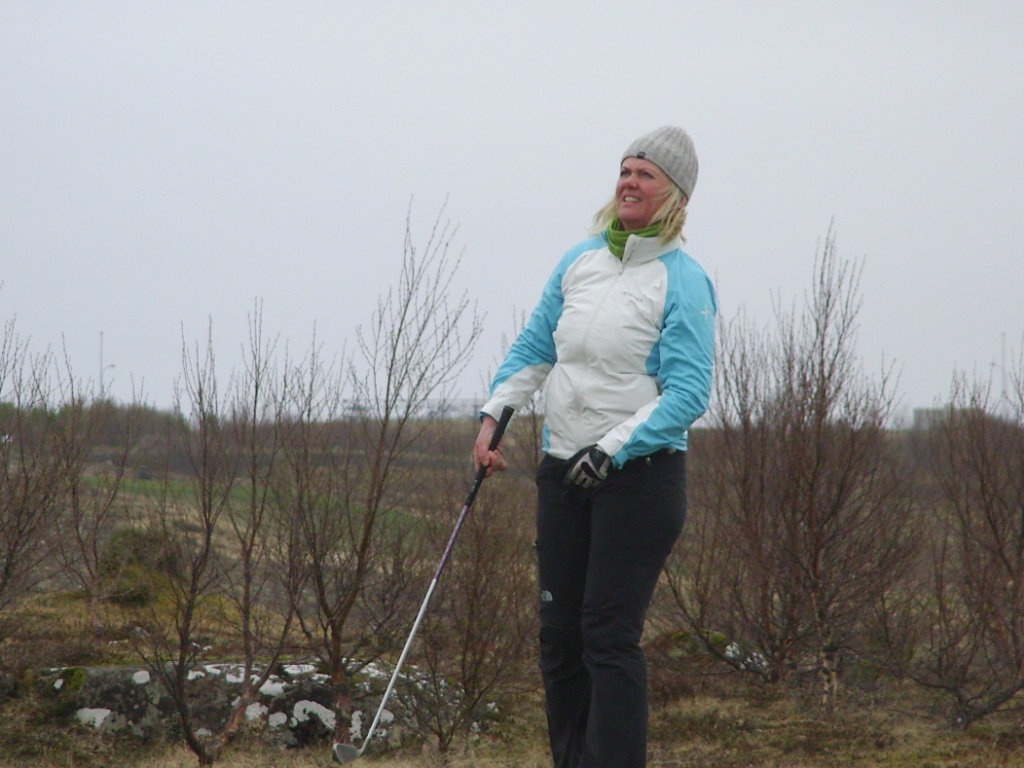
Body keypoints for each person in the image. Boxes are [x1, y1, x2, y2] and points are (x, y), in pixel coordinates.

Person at [472, 125, 716, 768]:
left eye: (646, 174)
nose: (629, 182)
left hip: (639, 480)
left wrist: (610, 448)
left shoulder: (684, 280)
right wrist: (494, 418)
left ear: (675, 196)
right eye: (626, 170)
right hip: (562, 472)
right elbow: (535, 347)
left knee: (607, 636)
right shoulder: (579, 262)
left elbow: (689, 393)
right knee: (560, 638)